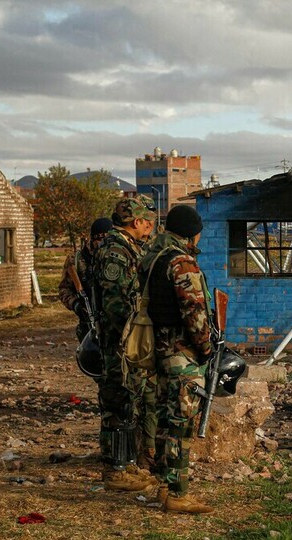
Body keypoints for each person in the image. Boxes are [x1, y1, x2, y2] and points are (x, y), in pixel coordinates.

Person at [139, 205, 214, 514]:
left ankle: (162, 484)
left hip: (158, 350)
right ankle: (177, 493)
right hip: (182, 354)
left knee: (163, 419)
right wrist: (206, 348)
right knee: (181, 424)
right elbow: (194, 313)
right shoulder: (182, 263)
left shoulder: (153, 258)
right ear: (191, 233)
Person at [91, 195, 157, 492]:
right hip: (118, 342)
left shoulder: (129, 247)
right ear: (136, 221)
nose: (150, 227)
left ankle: (127, 463)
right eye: (147, 222)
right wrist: (131, 338)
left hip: (126, 341)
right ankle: (114, 470)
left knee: (129, 401)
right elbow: (116, 304)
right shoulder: (115, 251)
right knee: (117, 401)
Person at [58, 217, 113, 342]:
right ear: (93, 239)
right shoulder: (76, 260)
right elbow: (64, 289)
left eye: (108, 239)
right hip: (88, 325)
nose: (104, 244)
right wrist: (76, 305)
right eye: (100, 239)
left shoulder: (115, 258)